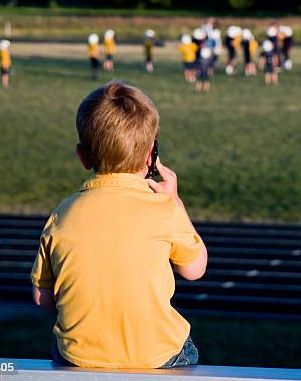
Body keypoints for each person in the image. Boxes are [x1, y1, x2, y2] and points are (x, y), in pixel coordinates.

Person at [31, 81, 208, 369]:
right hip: (158, 356)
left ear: (83, 156)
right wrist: (175, 201)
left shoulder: (61, 215)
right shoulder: (163, 208)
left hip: (79, 359)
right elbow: (195, 269)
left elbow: (43, 298)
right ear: (152, 154)